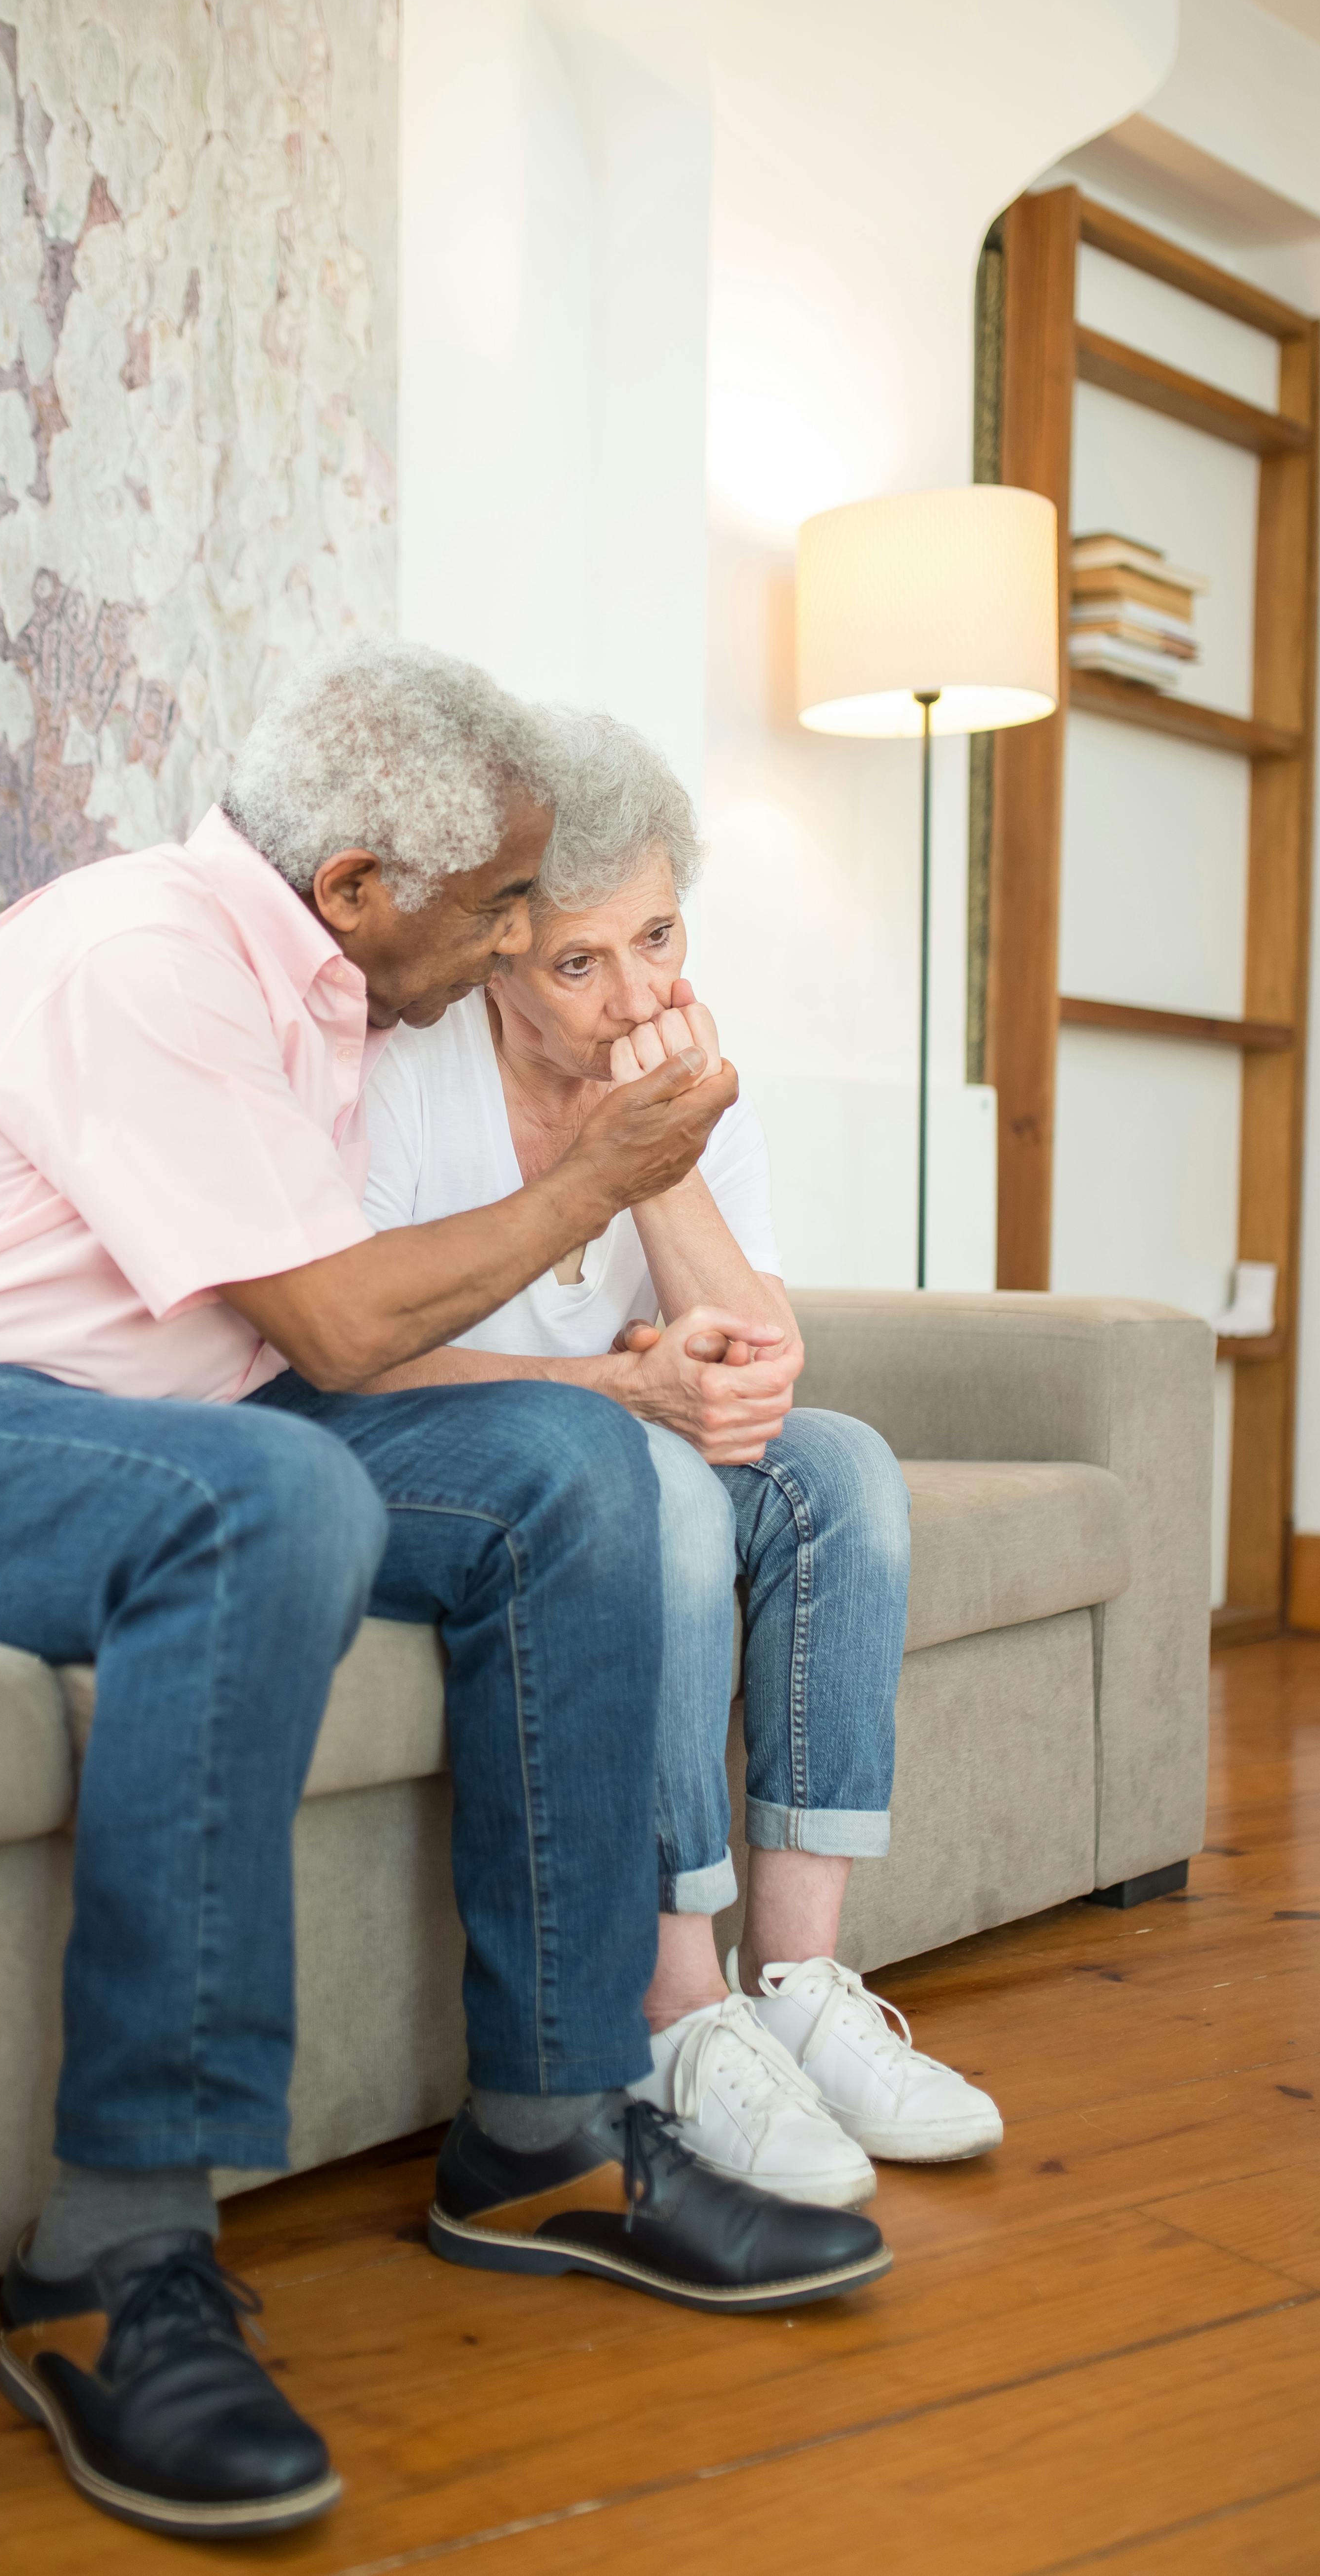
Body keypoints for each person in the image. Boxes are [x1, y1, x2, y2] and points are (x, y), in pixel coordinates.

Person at [0, 647, 886, 2548]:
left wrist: (623, 1196)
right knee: (263, 1502)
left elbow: (365, 1336)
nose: (521, 934)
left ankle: (548, 2132)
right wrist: (601, 1178)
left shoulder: (342, 1010)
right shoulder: (143, 957)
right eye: (502, 904)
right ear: (354, 888)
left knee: (576, 1471)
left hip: (170, 1434)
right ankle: (113, 2253)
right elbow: (335, 1322)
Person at [361, 710, 1004, 2217]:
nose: (639, 992)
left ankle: (798, 1986)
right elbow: (360, 1352)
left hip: (617, 1423)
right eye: (582, 962)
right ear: (498, 955)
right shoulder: (409, 1070)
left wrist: (667, 1153)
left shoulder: (685, 1072)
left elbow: (762, 1357)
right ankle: (674, 2014)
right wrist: (621, 1386)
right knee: (638, 1476)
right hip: (443, 1447)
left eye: (659, 934)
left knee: (840, 1470)